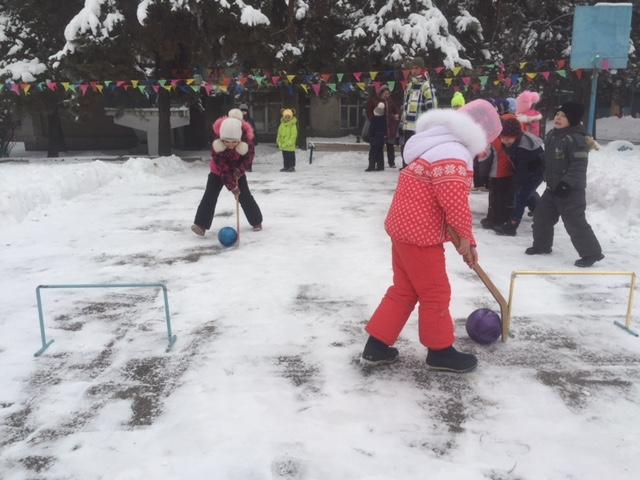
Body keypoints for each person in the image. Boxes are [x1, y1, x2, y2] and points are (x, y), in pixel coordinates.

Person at [360, 99, 502, 373]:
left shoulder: (435, 145)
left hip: (403, 231)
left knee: (404, 290)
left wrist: (464, 239)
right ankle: (440, 351)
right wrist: (467, 239)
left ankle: (376, 346)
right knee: (435, 292)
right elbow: (454, 202)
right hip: (420, 236)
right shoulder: (453, 153)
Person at [525, 102, 604, 267]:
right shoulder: (553, 135)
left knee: (575, 222)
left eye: (563, 116)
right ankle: (542, 245)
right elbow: (550, 158)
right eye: (557, 115)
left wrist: (566, 184)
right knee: (541, 216)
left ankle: (591, 253)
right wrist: (538, 164)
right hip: (552, 188)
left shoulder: (577, 139)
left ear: (572, 120)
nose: (558, 118)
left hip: (571, 191)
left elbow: (579, 166)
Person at [191, 113, 263, 236]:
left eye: (234, 142)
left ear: (240, 139)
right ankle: (201, 225)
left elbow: (248, 160)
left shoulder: (247, 141)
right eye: (226, 142)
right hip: (218, 171)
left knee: (244, 195)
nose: (230, 145)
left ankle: (256, 221)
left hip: (237, 171)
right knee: (210, 195)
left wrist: (239, 171)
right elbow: (222, 168)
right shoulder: (217, 144)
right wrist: (232, 187)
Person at [493, 114, 544, 236]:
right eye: (503, 137)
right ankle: (540, 211)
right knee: (527, 193)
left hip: (537, 172)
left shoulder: (523, 149)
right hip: (527, 170)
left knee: (521, 197)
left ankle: (512, 226)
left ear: (516, 136)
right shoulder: (512, 143)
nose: (505, 141)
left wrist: (517, 184)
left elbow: (523, 172)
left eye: (508, 138)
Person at [399, 57, 438, 167]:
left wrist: (430, 126)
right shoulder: (409, 85)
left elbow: (432, 108)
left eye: (416, 68)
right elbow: (406, 107)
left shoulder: (426, 85)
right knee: (406, 154)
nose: (414, 71)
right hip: (407, 127)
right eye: (412, 68)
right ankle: (406, 173)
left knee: (418, 155)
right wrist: (402, 123)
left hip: (419, 128)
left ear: (422, 69)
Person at [479, 136, 515, 230]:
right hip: (511, 172)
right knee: (505, 198)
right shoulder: (512, 135)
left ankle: (493, 220)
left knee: (495, 197)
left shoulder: (492, 138)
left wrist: (482, 175)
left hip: (497, 172)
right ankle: (503, 219)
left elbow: (485, 158)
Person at [379, 85, 400, 168]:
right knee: (379, 145)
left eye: (388, 94)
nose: (387, 95)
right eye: (385, 93)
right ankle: (379, 162)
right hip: (381, 126)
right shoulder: (378, 101)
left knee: (390, 145)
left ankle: (391, 162)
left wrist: (396, 114)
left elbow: (396, 111)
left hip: (390, 127)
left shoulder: (391, 101)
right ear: (381, 93)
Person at [365, 102, 387, 172]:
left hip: (374, 137)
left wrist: (370, 136)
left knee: (373, 152)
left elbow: (371, 129)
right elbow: (385, 129)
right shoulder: (384, 118)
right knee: (380, 152)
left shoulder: (374, 119)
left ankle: (371, 166)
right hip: (381, 137)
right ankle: (380, 166)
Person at [277, 108, 298, 172]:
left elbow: (293, 135)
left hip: (290, 145)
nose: (287, 118)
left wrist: (289, 142)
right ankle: (286, 166)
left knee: (291, 156)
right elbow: (279, 133)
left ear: (291, 117)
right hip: (283, 145)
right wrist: (279, 141)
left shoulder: (292, 125)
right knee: (285, 156)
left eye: (289, 117)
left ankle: (291, 166)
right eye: (286, 117)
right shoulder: (282, 125)